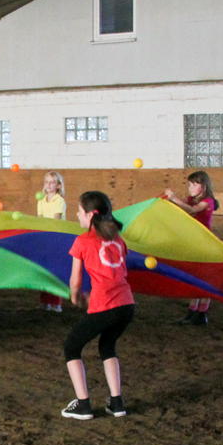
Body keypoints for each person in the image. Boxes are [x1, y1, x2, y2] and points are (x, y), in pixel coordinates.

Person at [61, 191, 135, 420]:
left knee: (71, 347)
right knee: (107, 346)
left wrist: (75, 296)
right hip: (126, 305)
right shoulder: (118, 239)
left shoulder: (82, 241)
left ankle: (82, 404)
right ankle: (116, 402)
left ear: (90, 215)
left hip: (105, 305)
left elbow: (75, 280)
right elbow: (116, 273)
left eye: (79, 211)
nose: (76, 214)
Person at [164, 170, 218, 325]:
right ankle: (195, 311)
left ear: (204, 186)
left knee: (201, 277)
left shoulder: (208, 201)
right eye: (190, 184)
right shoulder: (191, 200)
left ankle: (200, 312)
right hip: (195, 242)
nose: (191, 187)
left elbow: (192, 210)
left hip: (204, 243)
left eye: (195, 184)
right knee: (197, 277)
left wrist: (174, 199)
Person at [37, 171, 67, 312]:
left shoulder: (59, 201)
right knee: (44, 270)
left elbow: (54, 221)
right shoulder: (41, 202)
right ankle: (45, 301)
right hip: (45, 239)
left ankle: (56, 302)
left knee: (55, 271)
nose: (48, 185)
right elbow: (39, 220)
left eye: (52, 182)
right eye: (46, 182)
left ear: (59, 186)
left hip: (56, 239)